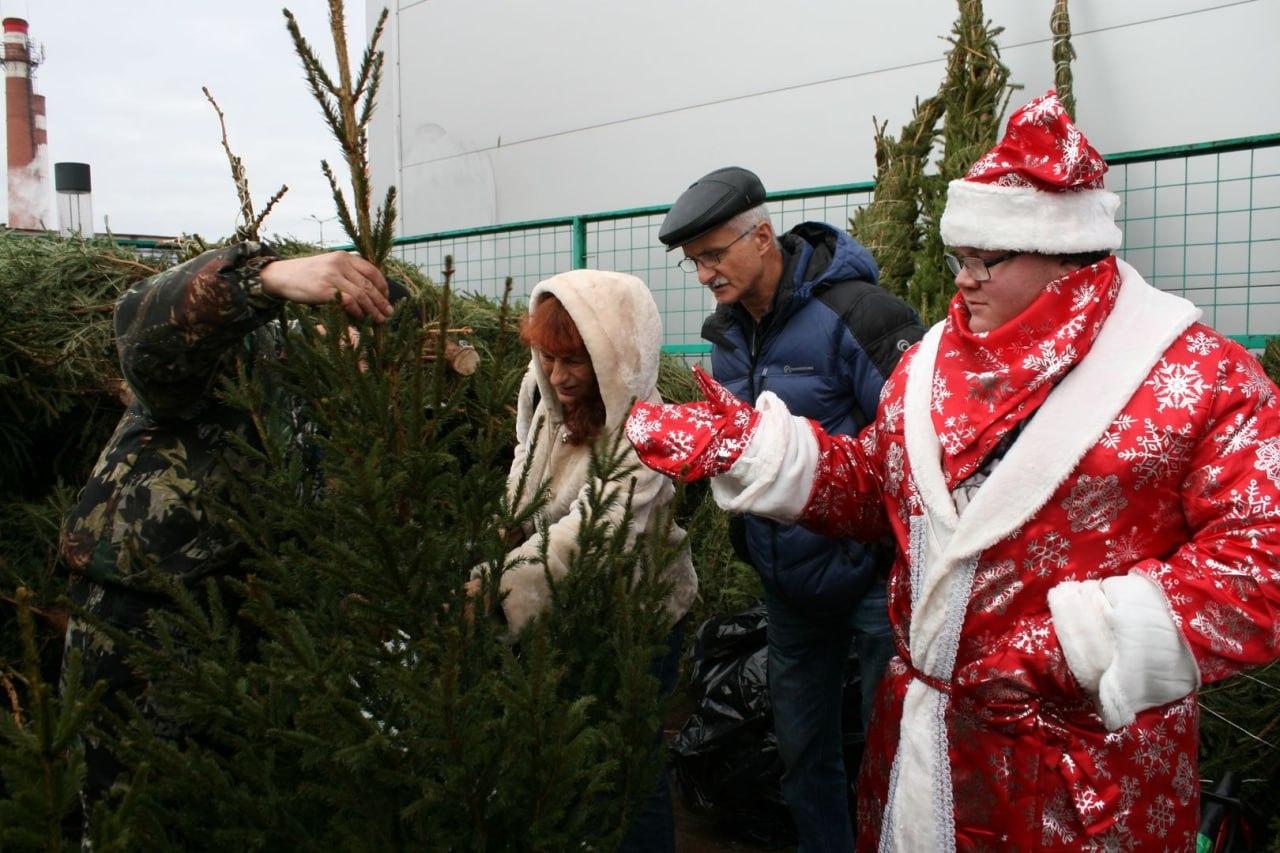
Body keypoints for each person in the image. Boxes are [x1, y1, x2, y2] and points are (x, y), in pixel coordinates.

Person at [626, 91, 1280, 850]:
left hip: (1080, 780)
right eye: (957, 258)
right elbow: (878, 488)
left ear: (1067, 257)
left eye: (984, 260)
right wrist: (766, 454)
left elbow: (1260, 565)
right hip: (922, 760)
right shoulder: (930, 363)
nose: (962, 281)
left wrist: (1081, 649)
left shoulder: (1196, 378)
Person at [59, 242, 397, 808]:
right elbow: (140, 333)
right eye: (348, 323)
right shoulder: (231, 355)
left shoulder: (350, 405)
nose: (359, 346)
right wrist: (263, 279)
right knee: (132, 805)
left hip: (253, 622)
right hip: (146, 615)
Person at [657, 166, 923, 850]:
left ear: (763, 234)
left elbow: (915, 444)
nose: (704, 275)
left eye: (713, 255)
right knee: (804, 749)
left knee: (891, 753)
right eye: (695, 262)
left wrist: (875, 552)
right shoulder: (726, 337)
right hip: (788, 585)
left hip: (869, 581)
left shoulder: (861, 315)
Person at [469, 269, 698, 852]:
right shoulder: (544, 394)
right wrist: (506, 525)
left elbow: (594, 532)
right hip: (564, 606)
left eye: (576, 361)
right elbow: (527, 465)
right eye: (548, 358)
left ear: (614, 358)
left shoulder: (648, 432)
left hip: (637, 613)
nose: (559, 376)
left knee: (629, 766)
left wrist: (497, 589)